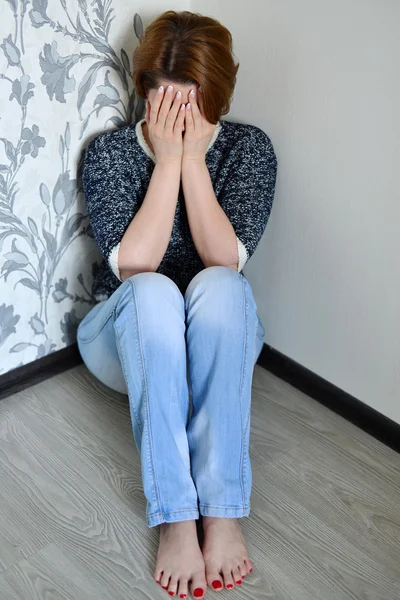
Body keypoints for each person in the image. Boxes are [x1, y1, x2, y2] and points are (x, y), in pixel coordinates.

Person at [77, 9, 277, 600]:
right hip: (125, 337)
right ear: (145, 96)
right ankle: (172, 515)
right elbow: (134, 268)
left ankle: (220, 510)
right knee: (154, 289)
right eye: (167, 106)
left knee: (223, 287)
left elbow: (225, 262)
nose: (182, 121)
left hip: (216, 332)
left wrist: (193, 161)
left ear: (221, 93)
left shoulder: (249, 151)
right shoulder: (110, 155)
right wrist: (166, 162)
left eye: (195, 105)